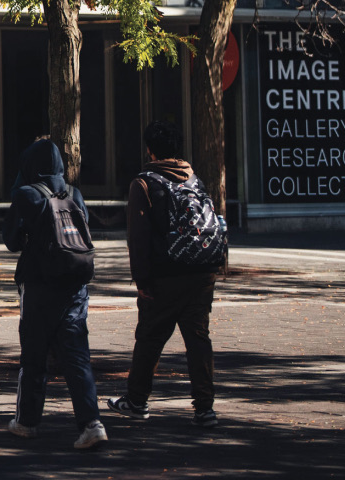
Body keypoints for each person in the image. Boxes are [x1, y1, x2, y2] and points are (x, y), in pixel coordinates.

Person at [106, 121, 222, 428]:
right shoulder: (194, 179)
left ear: (150, 150)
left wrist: (142, 280)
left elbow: (138, 237)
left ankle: (136, 401)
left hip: (166, 274)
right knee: (198, 339)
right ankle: (205, 409)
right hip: (202, 272)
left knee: (149, 338)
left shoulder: (144, 183)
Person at [2, 138, 107, 449]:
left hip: (39, 286)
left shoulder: (26, 193)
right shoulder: (74, 193)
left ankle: (27, 422)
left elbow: (11, 240)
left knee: (34, 355)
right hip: (75, 285)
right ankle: (91, 424)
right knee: (77, 355)